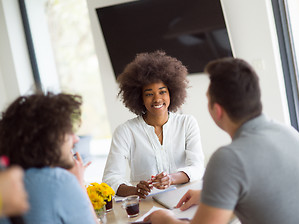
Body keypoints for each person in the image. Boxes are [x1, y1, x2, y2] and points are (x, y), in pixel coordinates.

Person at [145, 57, 299, 224]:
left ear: (217, 110)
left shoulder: (228, 158)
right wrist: (210, 194)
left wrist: (164, 219)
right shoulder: (289, 134)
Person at [103, 51, 204, 198]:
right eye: (149, 94)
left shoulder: (187, 123)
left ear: (171, 93)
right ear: (139, 98)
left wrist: (171, 179)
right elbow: (110, 179)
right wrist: (135, 190)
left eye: (162, 92)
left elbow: (197, 167)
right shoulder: (125, 131)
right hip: (146, 204)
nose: (157, 99)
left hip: (183, 199)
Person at [0, 92, 97, 224]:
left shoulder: (8, 182)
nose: (76, 139)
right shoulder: (59, 182)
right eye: (68, 133)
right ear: (48, 139)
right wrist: (79, 185)